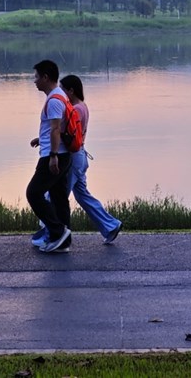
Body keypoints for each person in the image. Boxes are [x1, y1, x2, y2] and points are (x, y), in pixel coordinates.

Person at [31, 74, 122, 247]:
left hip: (74, 158)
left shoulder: (77, 109)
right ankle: (111, 226)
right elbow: (65, 130)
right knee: (82, 195)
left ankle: (51, 232)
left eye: (64, 90)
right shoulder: (81, 106)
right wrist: (41, 138)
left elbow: (66, 133)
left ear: (71, 91)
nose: (62, 94)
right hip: (79, 156)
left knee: (55, 197)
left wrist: (52, 150)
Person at [25, 59, 72, 253]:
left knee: (33, 193)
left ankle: (57, 230)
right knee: (58, 196)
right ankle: (63, 240)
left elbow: (55, 129)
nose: (34, 81)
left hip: (54, 156)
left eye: (36, 77)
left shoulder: (53, 100)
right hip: (63, 154)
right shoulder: (60, 96)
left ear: (46, 77)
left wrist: (52, 155)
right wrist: (41, 138)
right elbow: (57, 127)